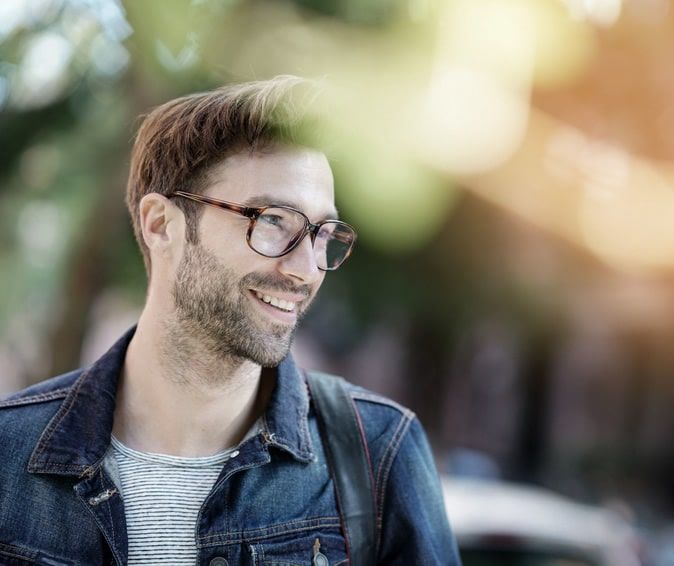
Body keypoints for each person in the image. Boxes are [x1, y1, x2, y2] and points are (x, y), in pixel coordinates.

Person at [0, 77, 460, 565]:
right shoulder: (9, 454)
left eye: (322, 233)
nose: (306, 270)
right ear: (161, 224)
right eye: (273, 220)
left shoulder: (379, 451)